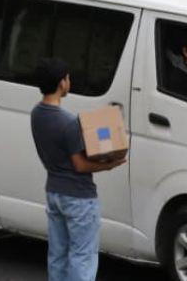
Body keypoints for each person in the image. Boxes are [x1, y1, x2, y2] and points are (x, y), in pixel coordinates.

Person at [30, 58, 126, 281]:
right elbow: (80, 165)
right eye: (68, 77)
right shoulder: (69, 123)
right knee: (82, 257)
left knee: (58, 255)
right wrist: (109, 164)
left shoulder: (37, 114)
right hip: (79, 197)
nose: (69, 81)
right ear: (62, 83)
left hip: (54, 191)